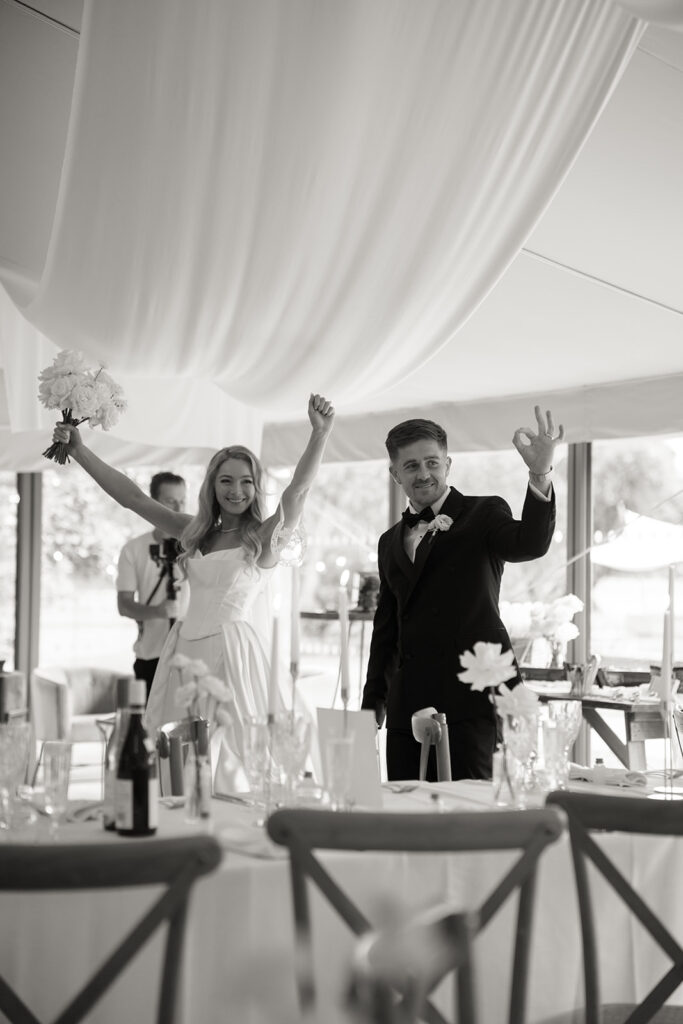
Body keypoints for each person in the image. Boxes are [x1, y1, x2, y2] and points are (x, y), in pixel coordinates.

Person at [51, 393, 335, 791]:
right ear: (212, 486)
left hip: (233, 652)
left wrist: (319, 435)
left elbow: (297, 494)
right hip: (183, 648)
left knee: (234, 756)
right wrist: (79, 451)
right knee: (174, 753)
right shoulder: (196, 531)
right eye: (226, 480)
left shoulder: (263, 537)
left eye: (246, 481)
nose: (236, 490)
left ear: (256, 487)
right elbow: (132, 498)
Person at [361, 405, 563, 782]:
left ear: (448, 464)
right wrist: (371, 708)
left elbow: (531, 543)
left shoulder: (484, 513)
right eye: (411, 466)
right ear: (394, 473)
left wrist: (540, 472)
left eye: (432, 463)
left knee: (472, 820)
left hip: (472, 702)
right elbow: (386, 630)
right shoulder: (389, 542)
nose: (424, 474)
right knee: (409, 819)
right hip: (408, 708)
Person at [116, 471, 190, 701]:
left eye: (182, 501)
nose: (178, 508)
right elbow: (124, 606)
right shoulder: (134, 550)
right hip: (151, 657)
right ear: (153, 503)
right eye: (170, 501)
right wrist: (158, 612)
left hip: (190, 658)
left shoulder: (198, 546)